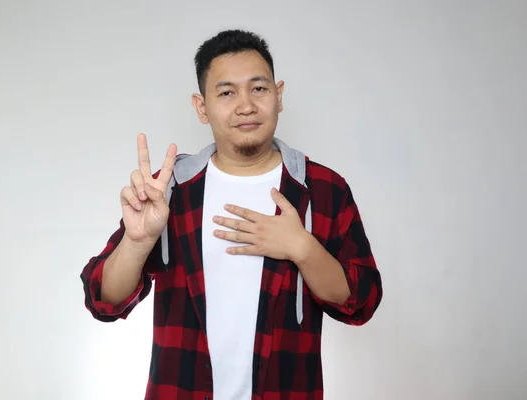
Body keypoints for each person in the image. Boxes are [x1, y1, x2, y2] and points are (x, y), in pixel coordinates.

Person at [80, 29, 383, 400]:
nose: (246, 106)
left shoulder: (321, 188)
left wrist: (303, 248)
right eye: (226, 93)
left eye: (259, 89)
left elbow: (362, 302)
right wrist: (137, 241)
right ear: (201, 106)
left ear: (279, 95)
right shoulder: (170, 188)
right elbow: (104, 300)